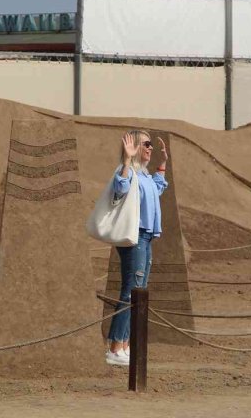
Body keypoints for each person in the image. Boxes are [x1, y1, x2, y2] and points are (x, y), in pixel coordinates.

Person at [106, 130, 168, 366]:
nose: (150, 148)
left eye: (151, 144)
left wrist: (162, 163)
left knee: (139, 292)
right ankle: (115, 346)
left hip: (147, 238)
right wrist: (125, 160)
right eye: (145, 144)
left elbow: (158, 188)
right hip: (135, 237)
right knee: (131, 291)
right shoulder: (129, 173)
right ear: (133, 147)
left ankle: (125, 344)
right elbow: (119, 189)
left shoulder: (145, 177)